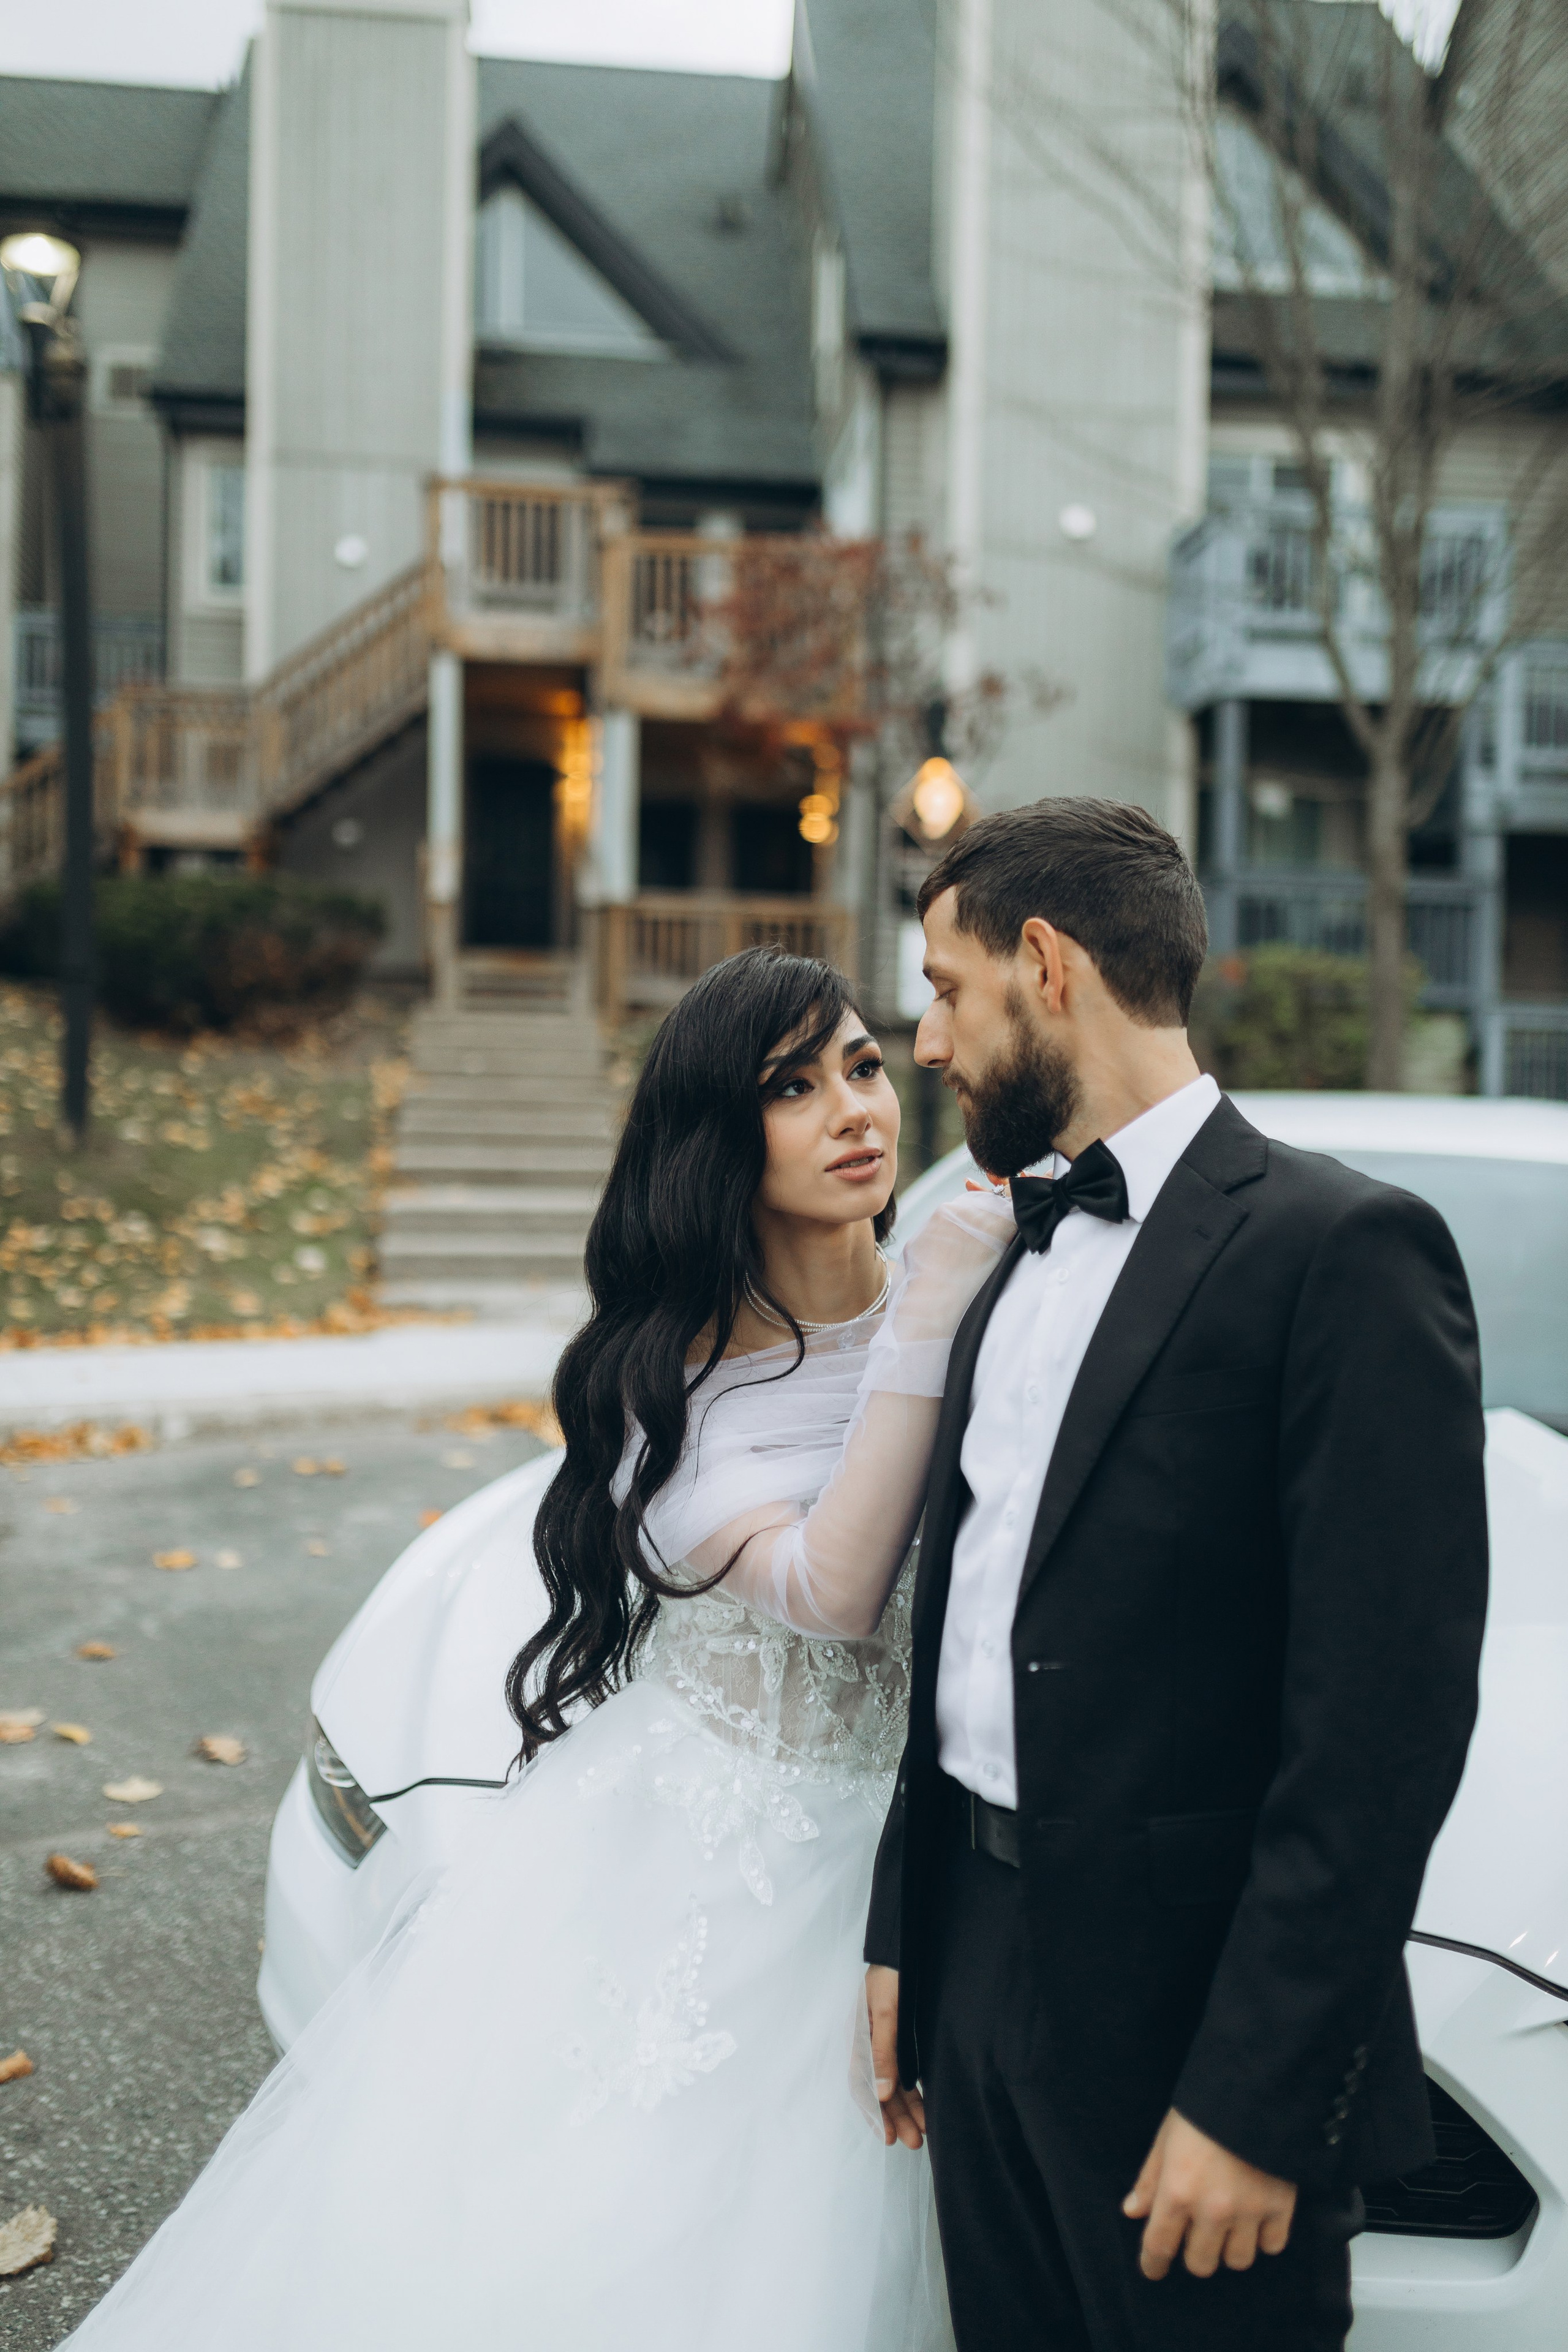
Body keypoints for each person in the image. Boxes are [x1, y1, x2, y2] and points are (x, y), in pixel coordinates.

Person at [61, 946, 1009, 2352]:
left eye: (861, 1066)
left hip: (934, 1845)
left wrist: (950, 1294)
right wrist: (927, 1320)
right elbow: (835, 1590)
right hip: (722, 1876)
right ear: (716, 1140)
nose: (852, 1110)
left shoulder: (985, 1278)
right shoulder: (669, 1389)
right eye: (791, 1089)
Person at [859, 796, 1489, 2352]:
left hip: (1190, 2026)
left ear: (1045, 964)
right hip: (976, 1975)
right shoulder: (1008, 1245)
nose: (927, 1044)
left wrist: (1258, 2097)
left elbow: (1378, 1733)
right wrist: (905, 1928)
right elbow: (970, 1624)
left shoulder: (1342, 1253)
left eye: (944, 991)